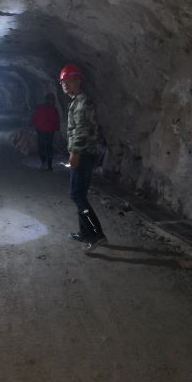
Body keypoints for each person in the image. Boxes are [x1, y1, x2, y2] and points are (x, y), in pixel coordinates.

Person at [60, 64, 107, 253]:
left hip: (83, 154)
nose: (65, 85)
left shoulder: (82, 102)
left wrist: (75, 153)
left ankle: (96, 233)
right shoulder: (77, 101)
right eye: (63, 82)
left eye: (69, 81)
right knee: (79, 195)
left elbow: (81, 130)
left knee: (77, 195)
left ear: (78, 81)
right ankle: (84, 232)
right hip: (85, 153)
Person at [30, 93, 60, 170]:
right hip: (50, 130)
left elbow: (34, 117)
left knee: (42, 146)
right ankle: (49, 165)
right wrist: (57, 129)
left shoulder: (39, 108)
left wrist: (31, 125)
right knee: (49, 147)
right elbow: (56, 120)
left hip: (41, 130)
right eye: (53, 100)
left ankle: (44, 162)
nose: (53, 101)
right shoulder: (53, 109)